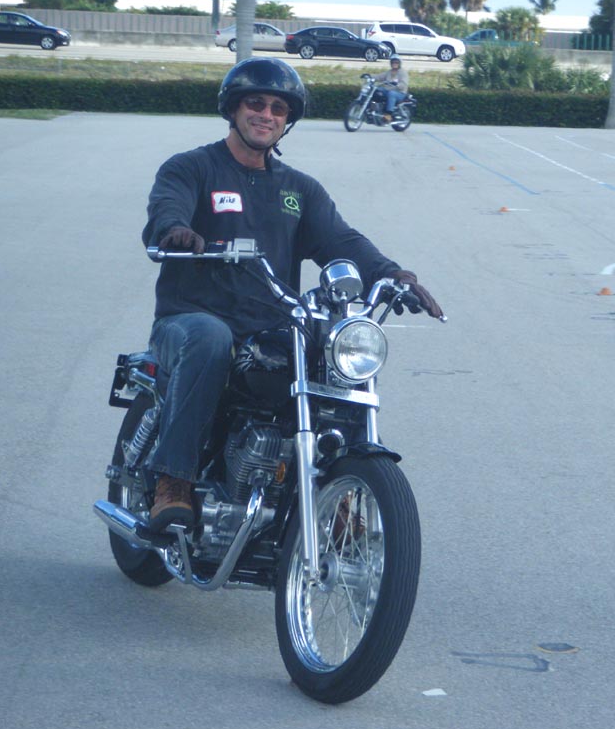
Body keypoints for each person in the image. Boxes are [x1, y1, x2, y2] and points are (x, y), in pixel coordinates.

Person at [141, 57, 444, 531]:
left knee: (330, 350)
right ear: (233, 108)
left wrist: (393, 275)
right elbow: (167, 205)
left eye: (278, 108)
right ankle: (173, 480)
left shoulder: (299, 189)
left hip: (268, 325)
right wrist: (175, 229)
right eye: (255, 103)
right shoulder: (192, 168)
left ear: (288, 120)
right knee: (210, 338)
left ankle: (330, 486)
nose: (266, 114)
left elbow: (341, 240)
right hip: (190, 319)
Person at [372, 54, 409, 122]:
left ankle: (388, 114)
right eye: (393, 62)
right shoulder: (389, 72)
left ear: (399, 63)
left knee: (391, 94)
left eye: (396, 62)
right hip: (388, 90)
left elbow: (404, 84)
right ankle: (375, 109)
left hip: (400, 93)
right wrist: (370, 76)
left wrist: (397, 85)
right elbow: (379, 77)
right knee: (377, 90)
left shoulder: (403, 73)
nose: (394, 64)